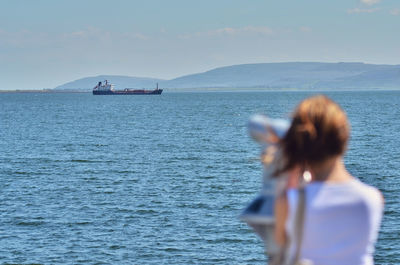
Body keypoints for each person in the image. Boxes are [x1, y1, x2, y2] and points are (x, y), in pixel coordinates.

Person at [274, 95, 384, 265]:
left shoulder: (288, 202)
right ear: (344, 138)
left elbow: (280, 253)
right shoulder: (372, 199)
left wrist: (291, 169)